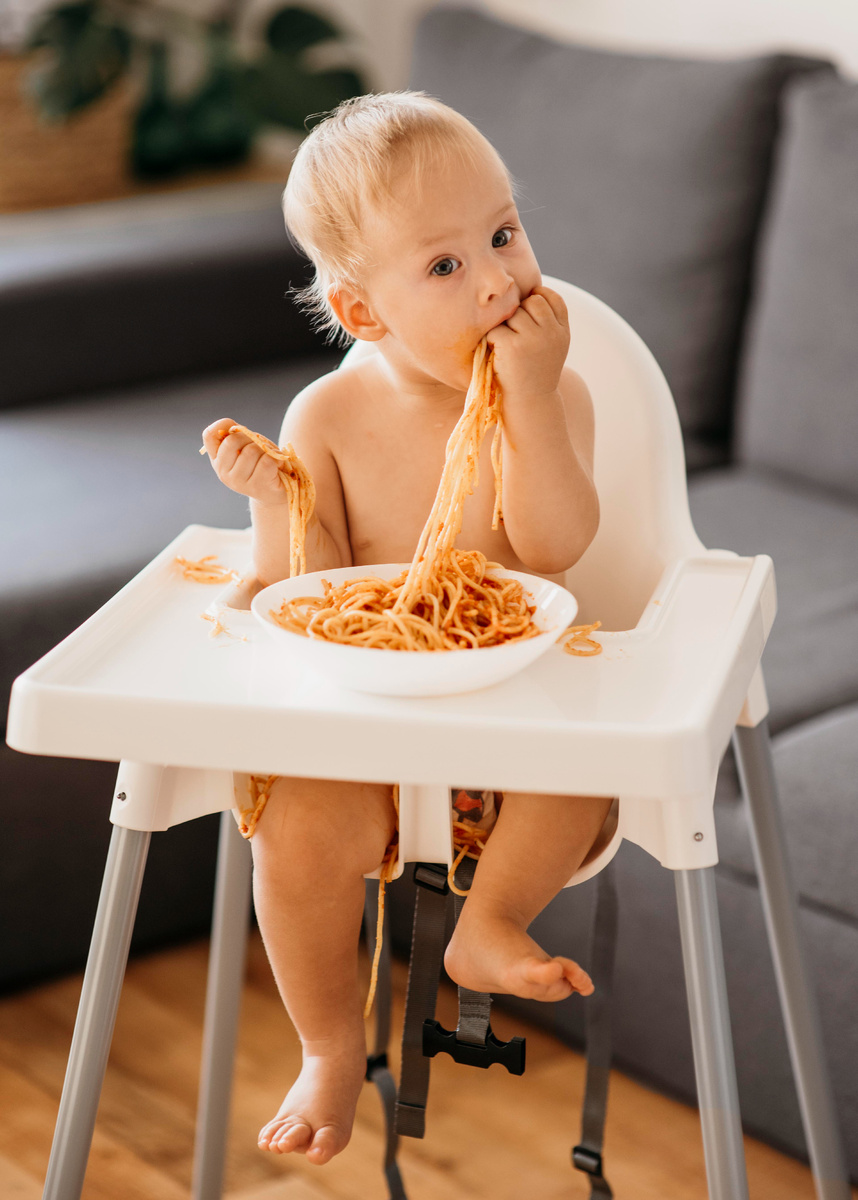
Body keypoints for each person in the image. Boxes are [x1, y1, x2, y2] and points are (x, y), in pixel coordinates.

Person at [202, 91, 616, 1167]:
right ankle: (330, 1047)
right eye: (446, 267)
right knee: (290, 830)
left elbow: (557, 543)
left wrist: (528, 396)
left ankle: (488, 927)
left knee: (587, 761)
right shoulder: (327, 419)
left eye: (504, 232)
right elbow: (310, 591)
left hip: (514, 720)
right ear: (364, 309)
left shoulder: (548, 388)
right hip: (371, 727)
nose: (497, 279)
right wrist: (272, 498)